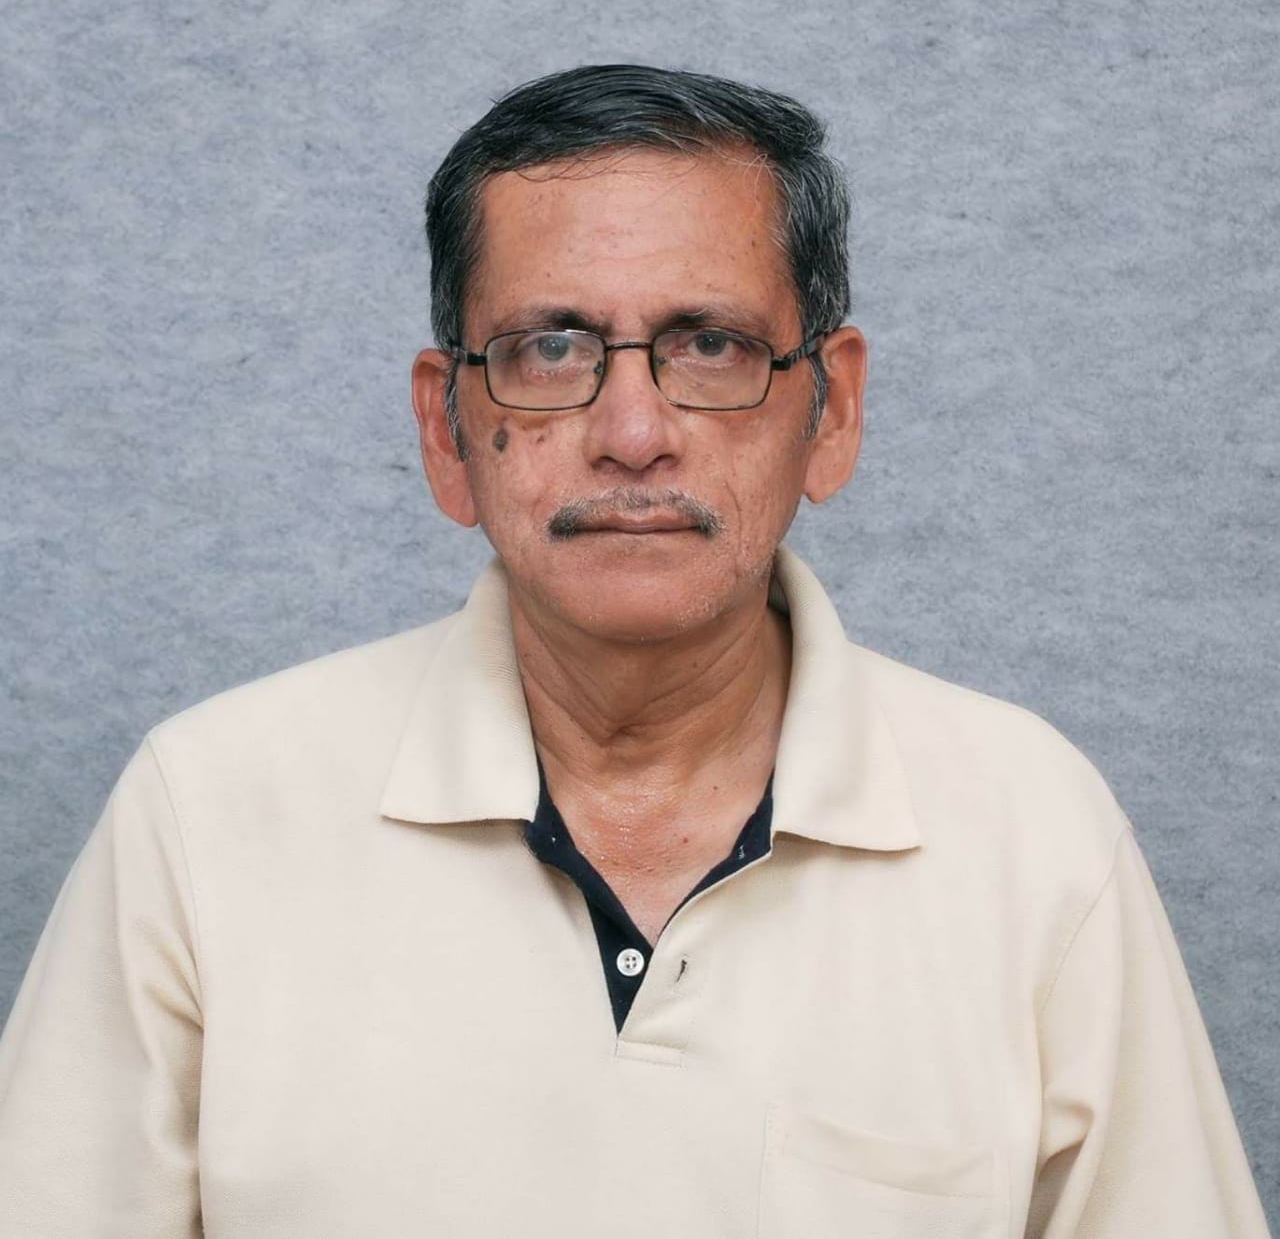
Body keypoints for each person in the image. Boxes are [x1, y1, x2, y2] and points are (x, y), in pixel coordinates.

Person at [0, 63, 1269, 1239]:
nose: (631, 431)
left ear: (830, 408)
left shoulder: (1027, 828)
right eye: (549, 345)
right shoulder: (210, 808)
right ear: (447, 430)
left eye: (708, 343)